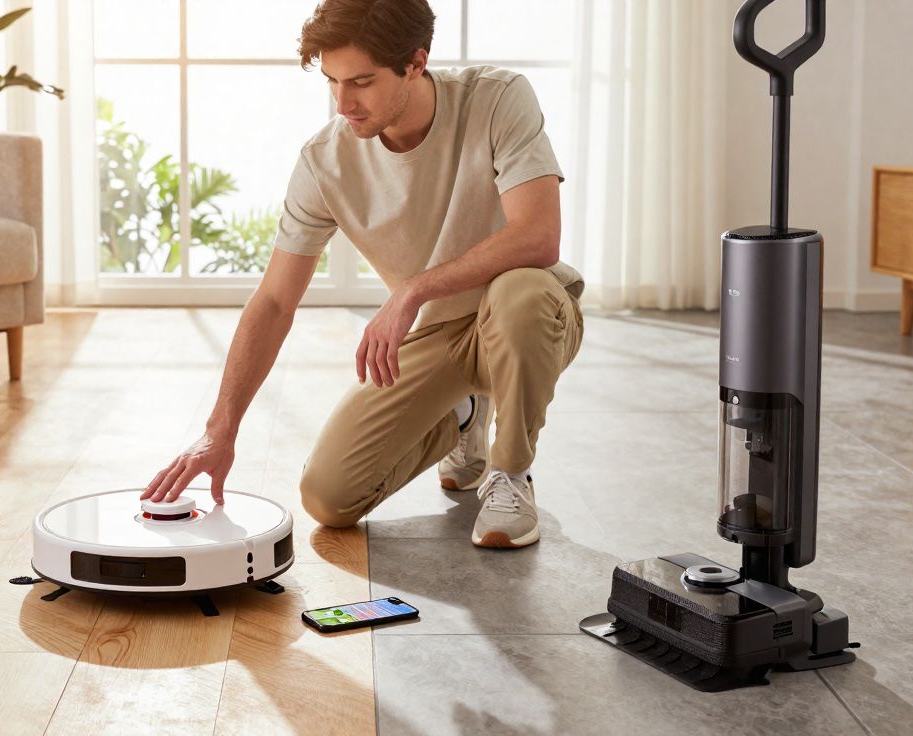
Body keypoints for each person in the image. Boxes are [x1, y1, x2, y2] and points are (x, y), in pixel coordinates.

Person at [144, 0, 583, 549]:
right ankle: (462, 418)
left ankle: (510, 472)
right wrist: (220, 429)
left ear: (416, 62)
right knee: (328, 497)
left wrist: (413, 289)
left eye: (362, 82)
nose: (343, 102)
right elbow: (276, 301)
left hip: (532, 314)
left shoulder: (497, 98)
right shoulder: (323, 161)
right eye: (331, 81)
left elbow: (538, 237)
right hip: (440, 335)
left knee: (519, 291)